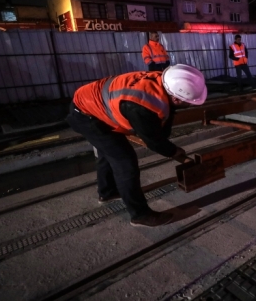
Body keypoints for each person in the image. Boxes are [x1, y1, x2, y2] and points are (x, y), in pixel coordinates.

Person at [65, 65, 207, 227]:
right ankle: (140, 215)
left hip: (98, 104)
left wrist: (164, 135)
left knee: (108, 152)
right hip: (87, 114)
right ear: (176, 98)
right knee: (125, 162)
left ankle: (107, 192)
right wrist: (174, 151)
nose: (191, 105)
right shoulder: (140, 106)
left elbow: (165, 117)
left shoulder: (165, 81)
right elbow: (153, 140)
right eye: (189, 102)